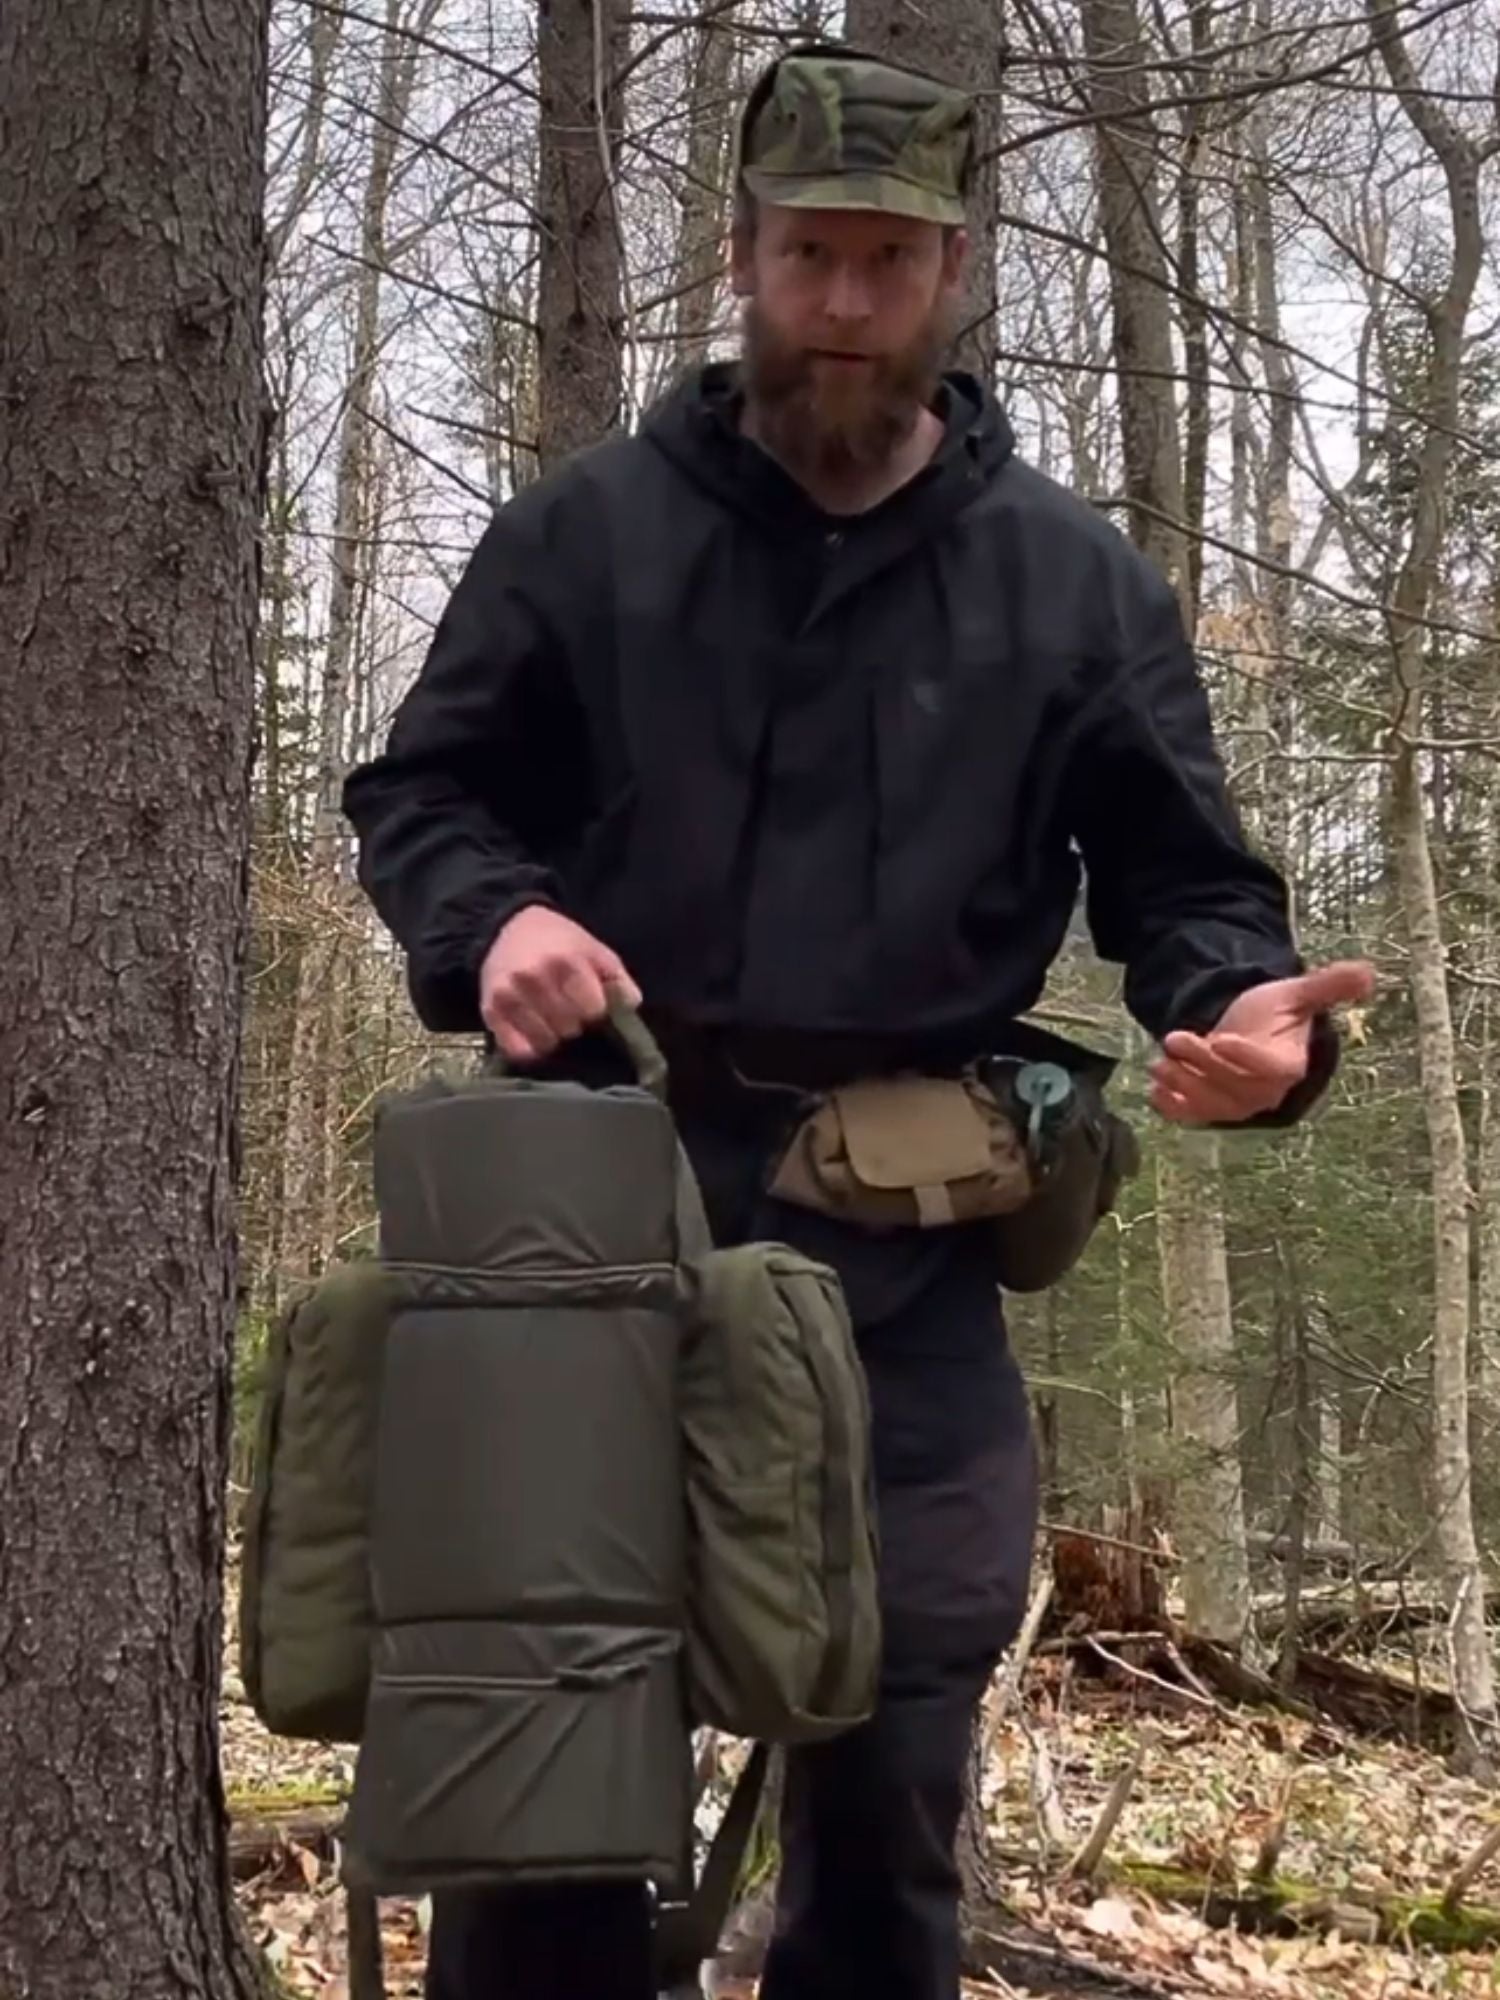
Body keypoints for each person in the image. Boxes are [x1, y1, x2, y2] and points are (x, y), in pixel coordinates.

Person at [342, 39, 1373, 2000]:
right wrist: (497, 920)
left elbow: (1195, 894)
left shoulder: (1074, 589)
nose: (842, 304)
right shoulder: (587, 542)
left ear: (954, 272)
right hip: (588, 1221)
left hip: (901, 1247)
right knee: (544, 1784)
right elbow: (421, 796)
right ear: (741, 255)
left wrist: (1259, 1025)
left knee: (899, 1767)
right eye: (808, 255)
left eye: (885, 265)